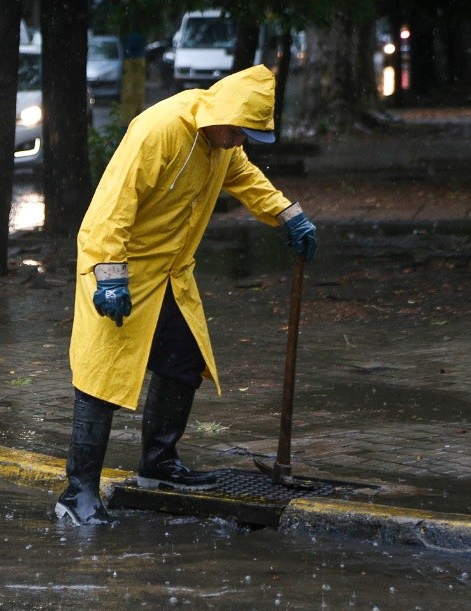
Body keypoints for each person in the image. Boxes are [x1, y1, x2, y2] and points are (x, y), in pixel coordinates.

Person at [55, 64, 317, 526]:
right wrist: (110, 276)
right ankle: (77, 494)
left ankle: (158, 464)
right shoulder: (159, 129)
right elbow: (111, 209)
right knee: (102, 377)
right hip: (119, 269)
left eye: (247, 135)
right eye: (239, 130)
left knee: (184, 359)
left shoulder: (221, 144)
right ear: (224, 113)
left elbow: (247, 178)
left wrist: (287, 213)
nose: (241, 141)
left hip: (171, 274)